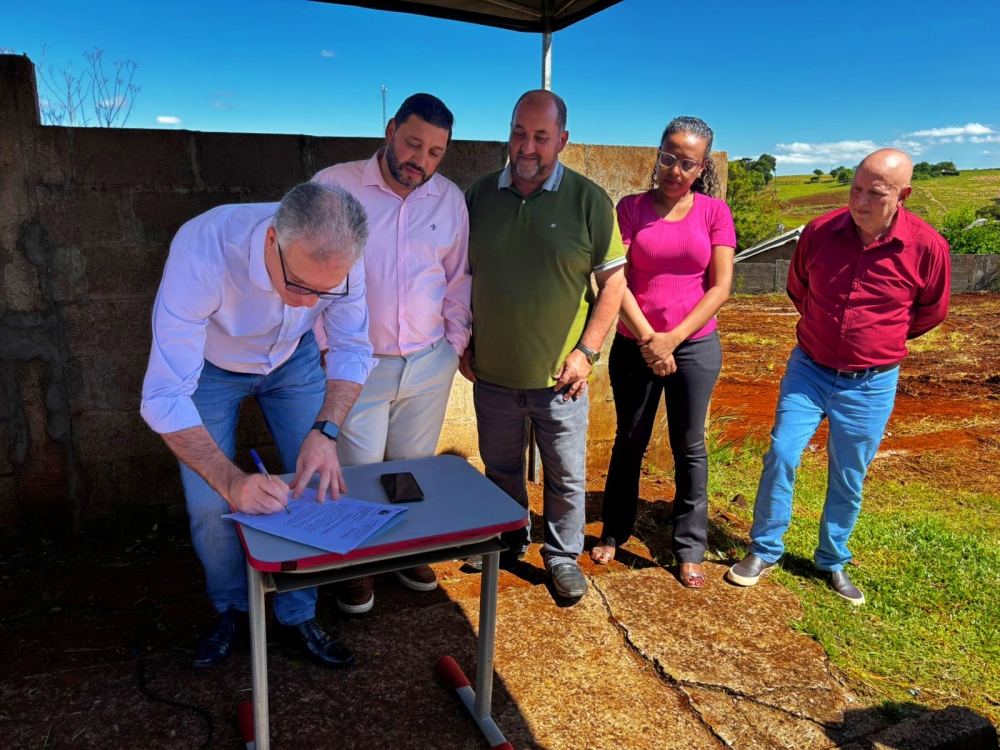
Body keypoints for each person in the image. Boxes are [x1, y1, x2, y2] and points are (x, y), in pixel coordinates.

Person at [140, 182, 376, 668]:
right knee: (211, 505)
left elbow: (352, 348)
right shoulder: (202, 252)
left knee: (315, 485)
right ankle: (232, 608)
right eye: (299, 285)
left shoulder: (344, 258)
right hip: (211, 367)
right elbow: (164, 395)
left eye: (324, 292)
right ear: (272, 240)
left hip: (294, 359)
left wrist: (326, 431)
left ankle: (297, 612)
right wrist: (231, 482)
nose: (307, 304)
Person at [726, 149, 951, 605]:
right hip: (809, 369)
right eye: (855, 188)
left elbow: (931, 311)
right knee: (782, 453)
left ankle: (832, 559)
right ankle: (765, 549)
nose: (860, 201)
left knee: (849, 473)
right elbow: (798, 288)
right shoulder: (820, 232)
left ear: (903, 195)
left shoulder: (928, 247)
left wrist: (879, 340)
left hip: (871, 382)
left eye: (875, 193)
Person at [462, 90, 627, 600]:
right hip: (492, 373)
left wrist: (586, 352)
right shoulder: (479, 196)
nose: (527, 147)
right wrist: (463, 338)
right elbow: (458, 276)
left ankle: (561, 556)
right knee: (500, 468)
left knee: (566, 475)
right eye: (519, 133)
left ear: (563, 140)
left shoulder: (589, 200)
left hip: (561, 378)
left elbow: (613, 284)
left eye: (540, 136)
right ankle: (509, 536)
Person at [311, 93, 471, 614]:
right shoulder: (335, 187)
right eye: (412, 144)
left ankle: (404, 551)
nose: (420, 160)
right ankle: (357, 565)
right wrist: (326, 350)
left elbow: (457, 278)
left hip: (429, 362)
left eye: (435, 152)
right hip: (359, 364)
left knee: (410, 470)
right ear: (390, 130)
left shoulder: (449, 200)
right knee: (356, 472)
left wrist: (453, 346)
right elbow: (311, 273)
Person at [590, 117, 736, 589]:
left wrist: (672, 340)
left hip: (695, 347)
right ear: (658, 155)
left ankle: (689, 547)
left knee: (689, 446)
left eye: (687, 163)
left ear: (701, 167)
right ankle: (614, 531)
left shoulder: (714, 212)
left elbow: (720, 287)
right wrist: (651, 339)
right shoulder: (630, 208)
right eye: (668, 157)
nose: (675, 169)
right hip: (636, 344)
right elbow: (616, 280)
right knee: (629, 441)